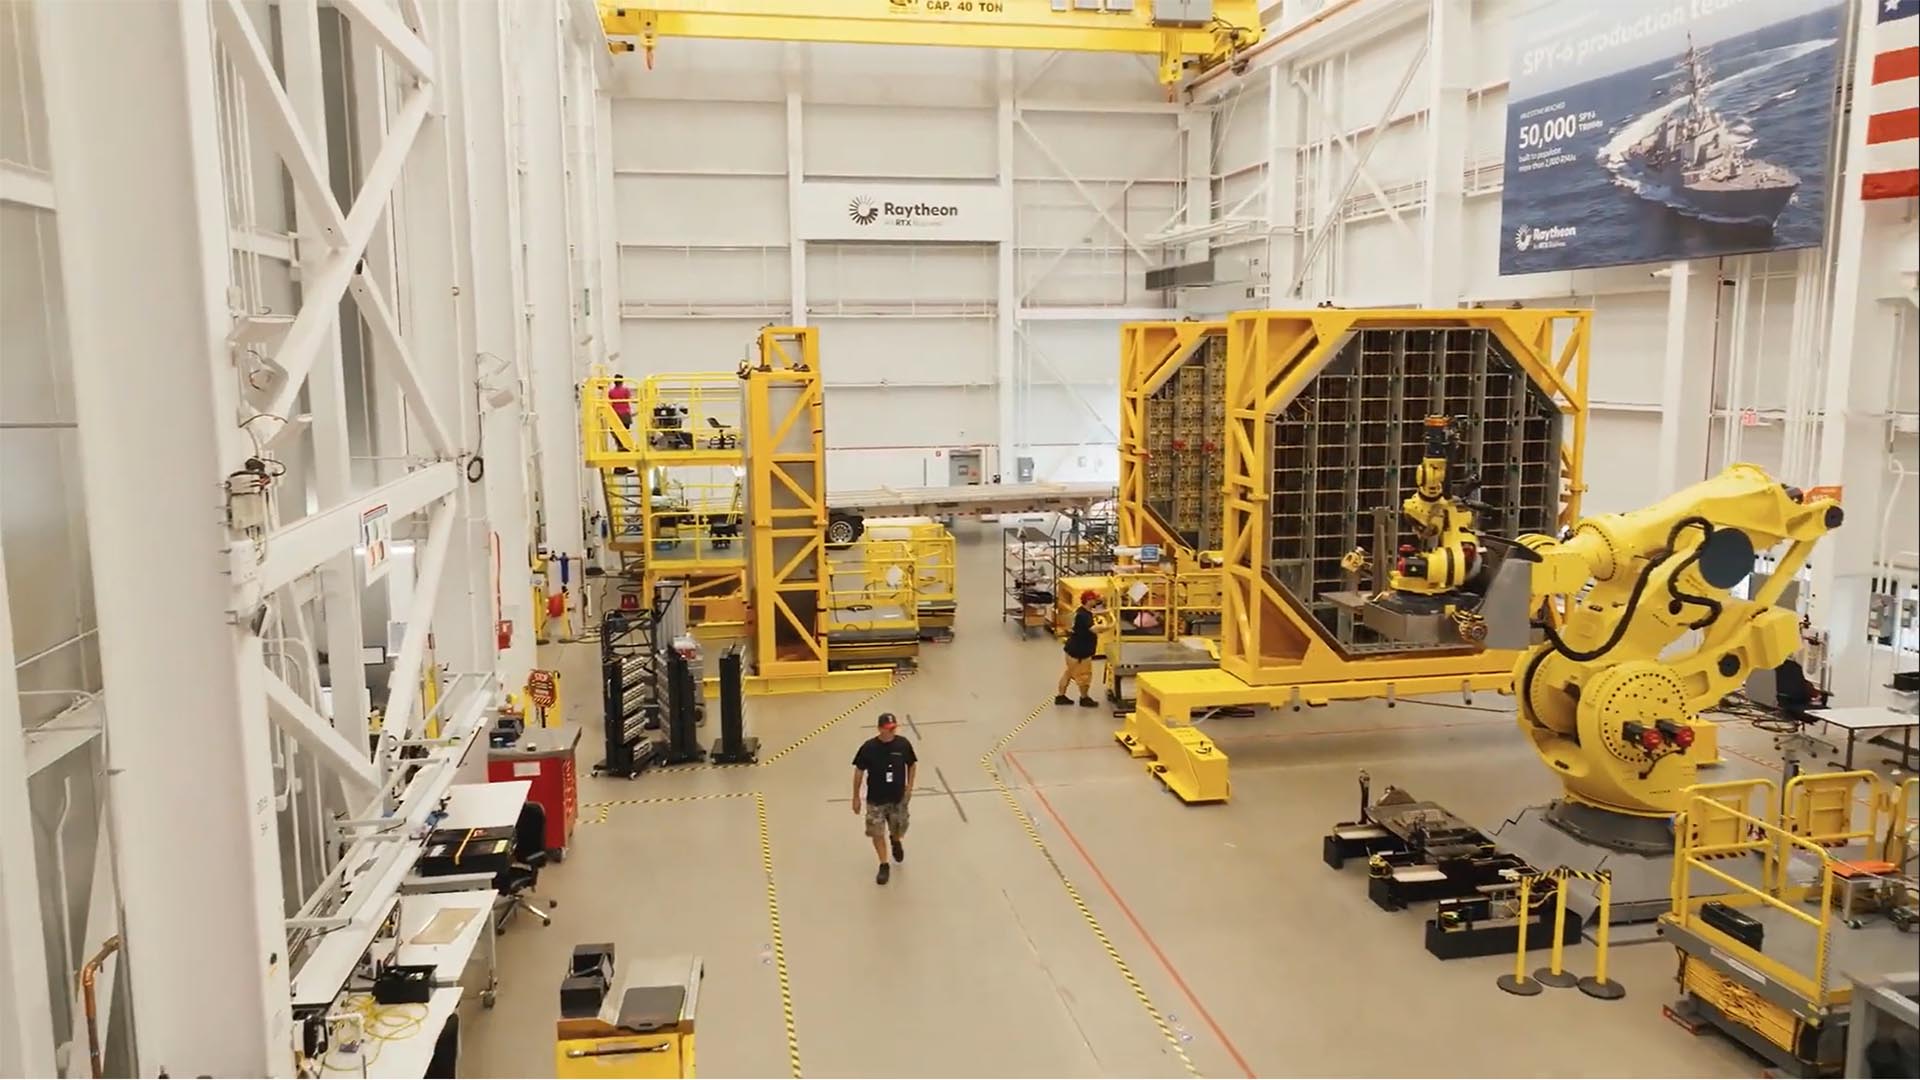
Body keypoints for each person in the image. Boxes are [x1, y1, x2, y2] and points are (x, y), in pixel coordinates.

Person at [851, 713, 917, 885]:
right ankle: (884, 864)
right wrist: (856, 796)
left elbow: (911, 764)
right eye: (888, 729)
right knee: (876, 832)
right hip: (876, 800)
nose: (892, 731)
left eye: (894, 728)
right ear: (880, 729)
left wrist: (909, 787)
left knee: (899, 828)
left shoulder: (903, 745)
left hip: (897, 798)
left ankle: (895, 840)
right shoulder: (869, 748)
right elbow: (859, 771)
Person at [1056, 589, 1105, 708]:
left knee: (1068, 674)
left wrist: (1105, 612)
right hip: (1080, 653)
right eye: (1095, 599)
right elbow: (1093, 629)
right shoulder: (1084, 616)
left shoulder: (1082, 611)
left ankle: (1060, 697)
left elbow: (1092, 614)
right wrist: (1108, 626)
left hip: (1072, 650)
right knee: (1084, 677)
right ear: (1089, 600)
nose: (1097, 601)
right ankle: (1084, 698)